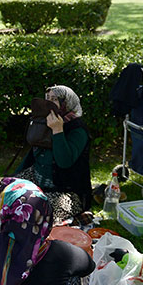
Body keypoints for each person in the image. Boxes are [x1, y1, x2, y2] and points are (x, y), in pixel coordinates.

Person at [14, 85, 92, 223]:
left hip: (66, 190)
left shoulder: (77, 129)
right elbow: (33, 154)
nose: (48, 103)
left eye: (54, 99)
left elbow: (64, 161)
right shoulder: (44, 121)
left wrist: (57, 130)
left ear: (66, 103)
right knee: (8, 192)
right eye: (47, 98)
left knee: (33, 213)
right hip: (38, 178)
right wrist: (13, 178)